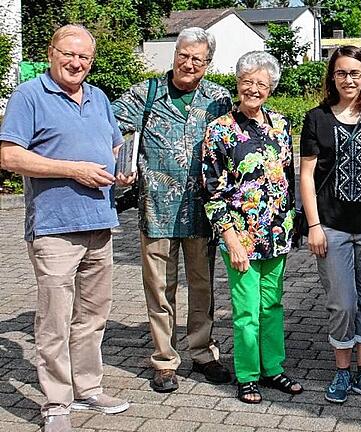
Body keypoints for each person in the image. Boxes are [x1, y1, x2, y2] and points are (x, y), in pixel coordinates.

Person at [0, 24, 130, 432]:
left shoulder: (98, 97)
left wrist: (120, 171)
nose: (76, 63)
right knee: (54, 319)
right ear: (52, 52)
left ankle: (88, 387)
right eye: (68, 54)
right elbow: (10, 157)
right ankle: (56, 401)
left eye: (85, 58)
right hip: (55, 228)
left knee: (93, 316)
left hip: (100, 221)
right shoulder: (29, 96)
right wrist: (72, 170)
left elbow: (112, 147)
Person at [112, 27, 232, 393]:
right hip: (158, 210)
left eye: (198, 59)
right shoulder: (145, 93)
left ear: (208, 64)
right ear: (174, 54)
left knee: (202, 287)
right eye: (184, 55)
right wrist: (121, 161)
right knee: (160, 290)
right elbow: (109, 127)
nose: (189, 64)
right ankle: (165, 360)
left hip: (202, 212)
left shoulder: (218, 98)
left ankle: (202, 352)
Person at [202, 50, 303, 404]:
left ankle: (273, 369)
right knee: (246, 309)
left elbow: (287, 178)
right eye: (247, 82)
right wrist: (229, 238)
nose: (254, 89)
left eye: (261, 83)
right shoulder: (219, 130)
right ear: (237, 83)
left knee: (272, 305)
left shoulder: (281, 124)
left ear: (271, 88)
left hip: (277, 233)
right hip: (240, 236)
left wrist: (293, 223)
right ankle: (246, 374)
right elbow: (211, 190)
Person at [300, 46, 361, 404]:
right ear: (332, 77)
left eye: (355, 72)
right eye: (341, 73)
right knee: (342, 303)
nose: (349, 79)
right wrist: (313, 225)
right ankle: (341, 372)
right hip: (332, 227)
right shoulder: (316, 118)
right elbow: (306, 175)